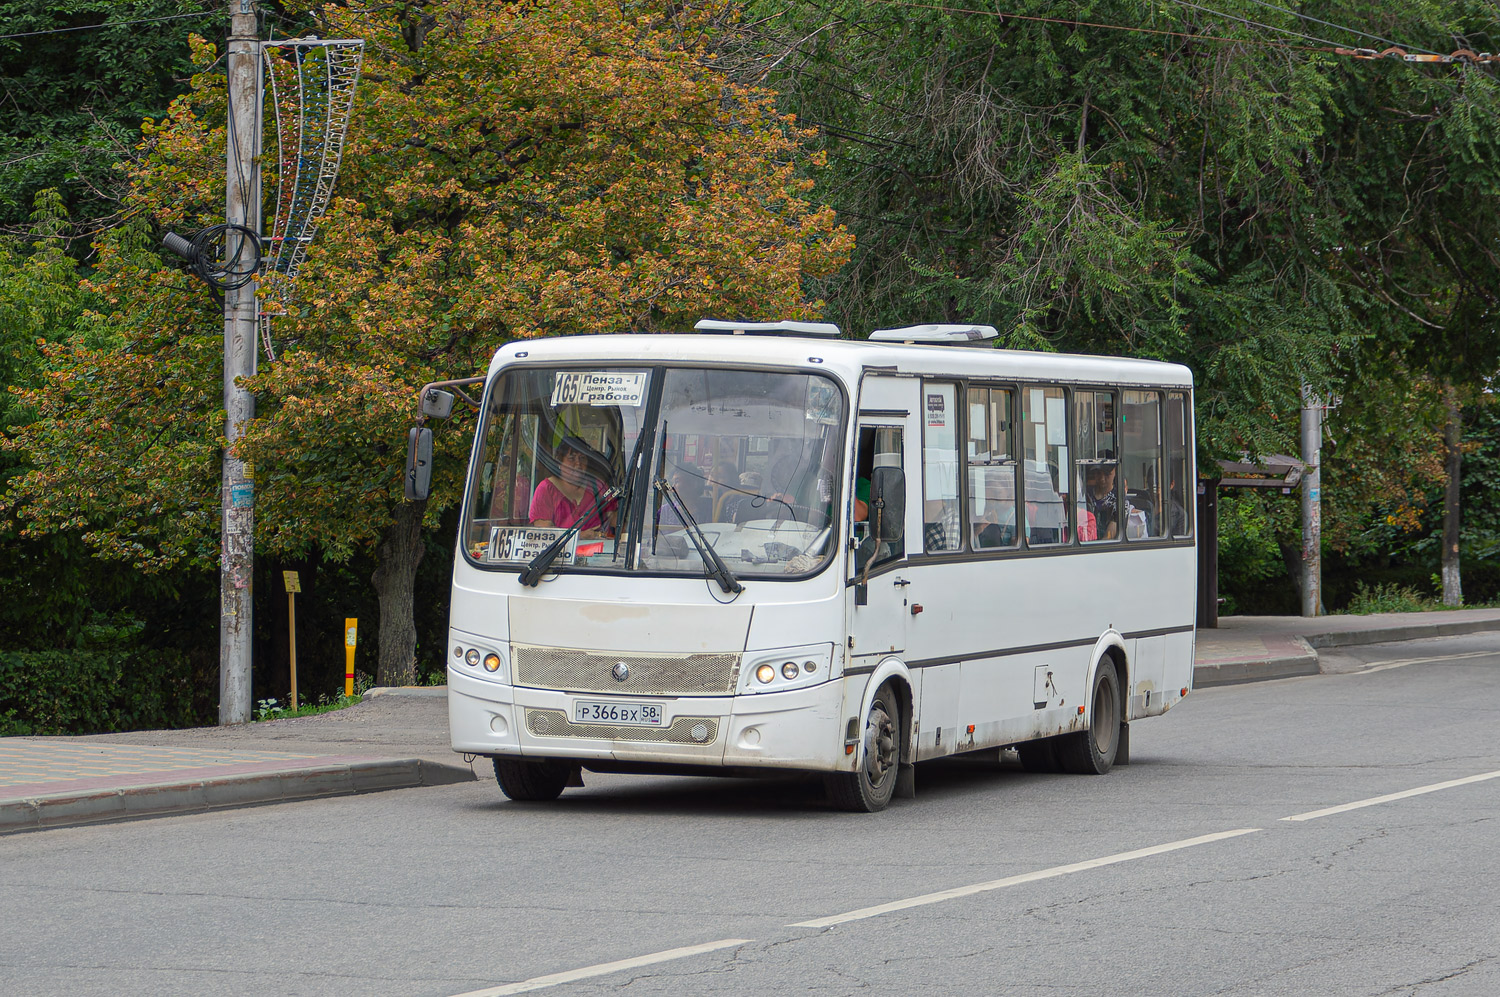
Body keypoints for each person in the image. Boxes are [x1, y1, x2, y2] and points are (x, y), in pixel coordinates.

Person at [530, 438, 614, 536]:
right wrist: (580, 536)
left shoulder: (598, 486)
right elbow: (544, 535)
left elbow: (615, 521)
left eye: (582, 458)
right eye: (571, 458)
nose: (578, 463)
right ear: (559, 462)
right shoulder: (546, 490)